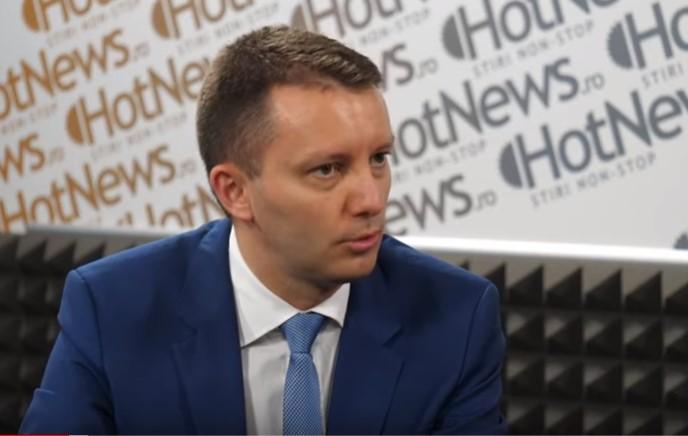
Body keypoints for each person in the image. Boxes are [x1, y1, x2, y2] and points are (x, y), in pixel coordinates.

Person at [20, 25, 505, 435]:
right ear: (235, 192)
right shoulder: (113, 308)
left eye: (379, 159)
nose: (371, 200)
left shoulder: (456, 318)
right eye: (328, 169)